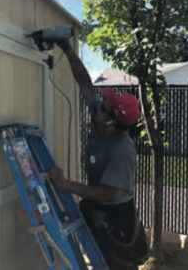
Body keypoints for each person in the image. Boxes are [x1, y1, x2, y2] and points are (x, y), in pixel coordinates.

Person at [48, 40, 148, 269]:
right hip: (98, 210)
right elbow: (85, 84)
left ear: (113, 122)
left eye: (104, 106)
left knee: (115, 265)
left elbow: (107, 193)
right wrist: (68, 50)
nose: (99, 104)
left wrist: (66, 184)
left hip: (116, 219)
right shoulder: (101, 118)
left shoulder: (122, 150)